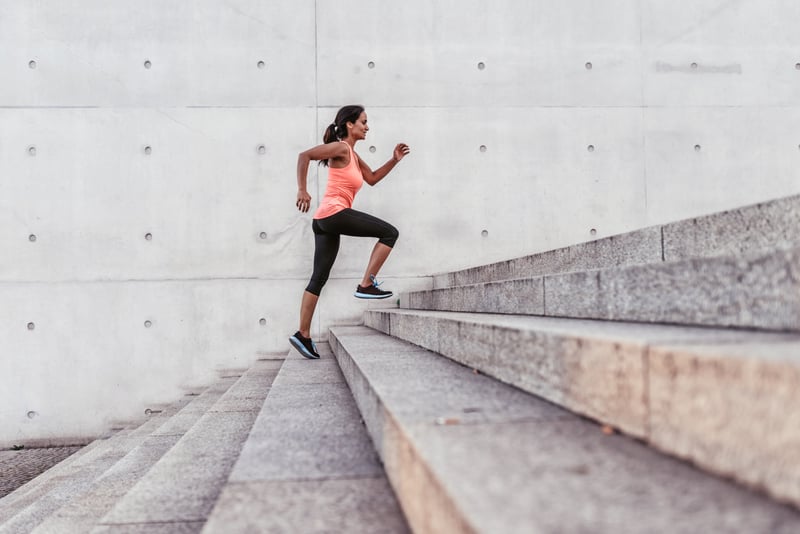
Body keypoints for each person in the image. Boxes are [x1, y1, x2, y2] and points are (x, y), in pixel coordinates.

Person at [289, 105, 410, 359]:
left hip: (323, 221)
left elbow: (373, 178)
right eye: (363, 122)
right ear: (349, 125)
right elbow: (304, 156)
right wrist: (302, 189)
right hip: (333, 215)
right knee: (390, 233)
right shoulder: (342, 147)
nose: (367, 127)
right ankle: (366, 283)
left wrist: (394, 161)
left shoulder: (353, 156)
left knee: (318, 278)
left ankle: (303, 334)